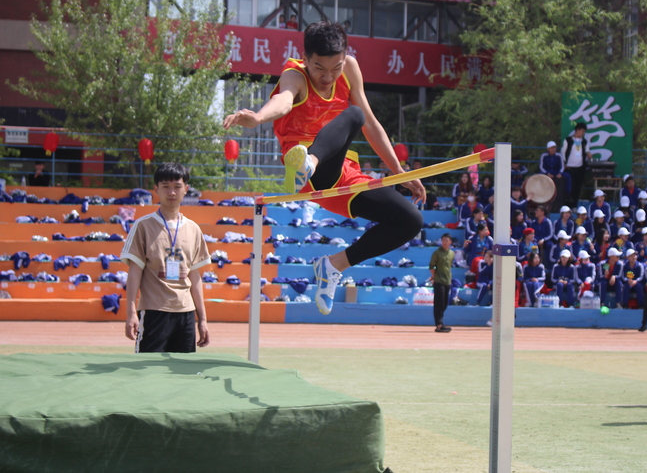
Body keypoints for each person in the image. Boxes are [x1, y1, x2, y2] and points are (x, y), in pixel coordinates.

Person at [223, 21, 425, 315]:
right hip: (304, 168)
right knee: (353, 114)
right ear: (305, 59)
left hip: (342, 173)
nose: (328, 77)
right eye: (319, 68)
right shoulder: (295, 75)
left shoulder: (351, 68)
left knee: (410, 220)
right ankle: (309, 162)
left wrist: (400, 172)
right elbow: (283, 101)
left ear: (345, 58)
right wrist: (258, 117)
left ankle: (332, 266)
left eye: (336, 68)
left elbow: (372, 125)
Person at [122, 162, 211, 353]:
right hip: (154, 311)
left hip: (186, 313)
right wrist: (131, 312)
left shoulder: (193, 229)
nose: (172, 192)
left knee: (182, 369)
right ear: (156, 189)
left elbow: (195, 276)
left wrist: (202, 319)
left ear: (186, 189)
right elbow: (135, 272)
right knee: (147, 368)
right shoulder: (143, 226)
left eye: (177, 186)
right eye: (165, 186)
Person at [429, 233, 455, 332]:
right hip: (439, 280)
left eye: (446, 240)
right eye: (443, 240)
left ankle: (440, 321)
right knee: (439, 303)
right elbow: (432, 266)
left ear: (450, 242)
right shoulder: (437, 253)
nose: (444, 242)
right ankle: (439, 324)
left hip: (447, 280)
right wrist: (434, 276)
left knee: (445, 303)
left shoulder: (452, 253)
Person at [562, 122, 591, 206]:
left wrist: (589, 154)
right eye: (582, 131)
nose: (583, 133)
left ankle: (574, 205)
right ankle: (567, 205)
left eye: (584, 131)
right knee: (570, 187)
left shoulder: (584, 141)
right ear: (577, 130)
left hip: (580, 167)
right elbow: (563, 152)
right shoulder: (568, 140)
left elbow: (587, 151)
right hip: (569, 167)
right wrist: (564, 162)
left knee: (578, 187)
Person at [540, 140, 571, 204]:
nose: (553, 149)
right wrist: (547, 173)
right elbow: (541, 167)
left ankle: (568, 194)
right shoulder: (544, 155)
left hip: (556, 171)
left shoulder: (559, 155)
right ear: (548, 149)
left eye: (554, 148)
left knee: (568, 176)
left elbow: (562, 166)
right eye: (551, 148)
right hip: (547, 171)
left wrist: (560, 173)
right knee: (538, 176)